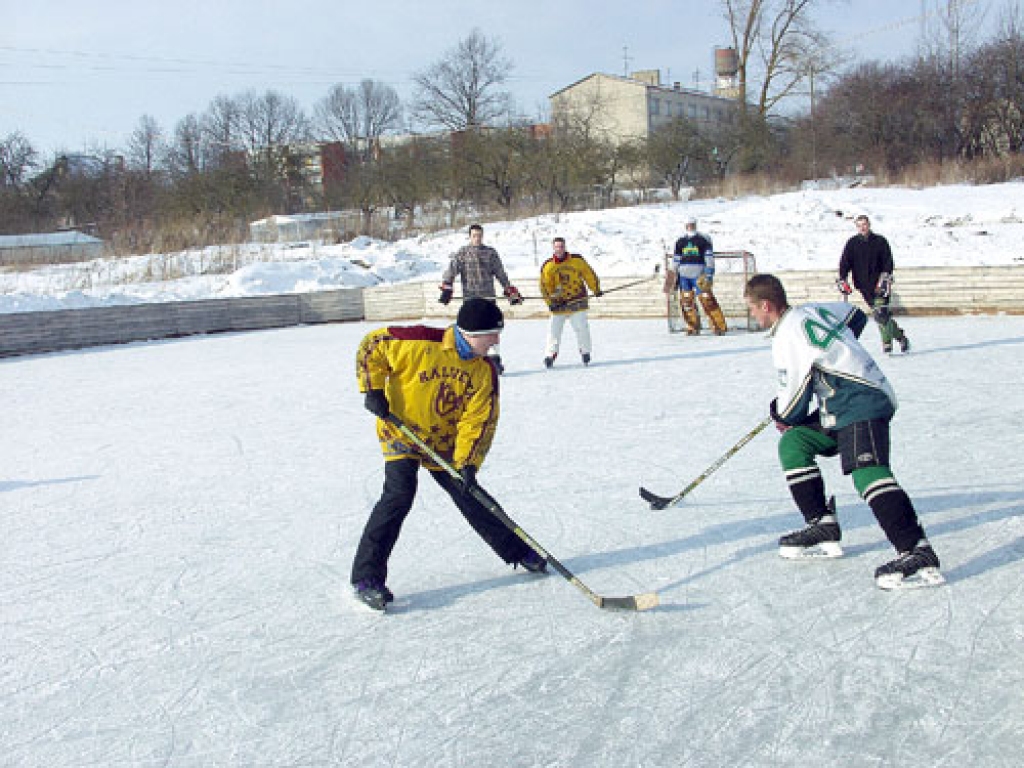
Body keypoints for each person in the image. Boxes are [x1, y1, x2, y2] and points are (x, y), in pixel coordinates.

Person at [743, 273, 943, 590]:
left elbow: (792, 408)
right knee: (795, 443)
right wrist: (839, 352)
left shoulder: (785, 337)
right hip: (842, 403)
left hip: (861, 399)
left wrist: (779, 412)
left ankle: (916, 550)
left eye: (753, 309)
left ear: (766, 305)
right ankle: (822, 524)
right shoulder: (810, 311)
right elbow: (854, 315)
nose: (753, 316)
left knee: (867, 472)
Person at [352, 297, 547, 612]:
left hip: (444, 442)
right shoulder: (419, 342)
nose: (496, 341)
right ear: (471, 333)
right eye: (492, 335)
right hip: (401, 433)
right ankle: (366, 578)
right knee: (399, 495)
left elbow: (479, 421)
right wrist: (372, 388)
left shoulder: (483, 371)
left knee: (469, 493)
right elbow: (372, 345)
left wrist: (468, 463)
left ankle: (517, 551)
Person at [439, 223, 524, 374]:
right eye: (474, 236)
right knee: (471, 332)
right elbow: (451, 270)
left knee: (491, 330)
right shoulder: (463, 253)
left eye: (479, 235)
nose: (477, 238)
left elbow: (500, 273)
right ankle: (471, 360)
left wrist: (509, 289)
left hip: (488, 298)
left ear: (482, 236)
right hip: (471, 300)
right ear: (469, 237)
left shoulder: (490, 253)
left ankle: (495, 360)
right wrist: (447, 286)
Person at [838, 214, 910, 354]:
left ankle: (887, 345)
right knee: (880, 316)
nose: (862, 228)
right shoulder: (852, 243)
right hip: (863, 285)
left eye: (864, 224)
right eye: (859, 225)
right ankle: (901, 337)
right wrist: (843, 278)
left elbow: (888, 261)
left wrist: (885, 277)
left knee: (881, 313)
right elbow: (845, 263)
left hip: (880, 285)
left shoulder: (880, 241)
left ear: (869, 225)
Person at [538, 237, 603, 368]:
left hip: (577, 301)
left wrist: (596, 289)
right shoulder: (548, 266)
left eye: (561, 246)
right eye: (557, 247)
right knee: (553, 331)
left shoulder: (577, 261)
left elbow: (588, 274)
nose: (559, 249)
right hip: (559, 304)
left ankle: (585, 352)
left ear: (565, 247)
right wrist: (550, 302)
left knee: (582, 328)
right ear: (553, 248)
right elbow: (544, 286)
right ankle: (550, 355)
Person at [671, 216, 727, 335]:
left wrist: (709, 272)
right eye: (688, 225)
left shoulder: (703, 240)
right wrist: (672, 274)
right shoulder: (680, 241)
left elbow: (709, 257)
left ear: (695, 225)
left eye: (692, 224)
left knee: (707, 300)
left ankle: (718, 326)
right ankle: (692, 326)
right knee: (687, 302)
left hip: (699, 275)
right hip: (684, 276)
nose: (690, 227)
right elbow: (676, 260)